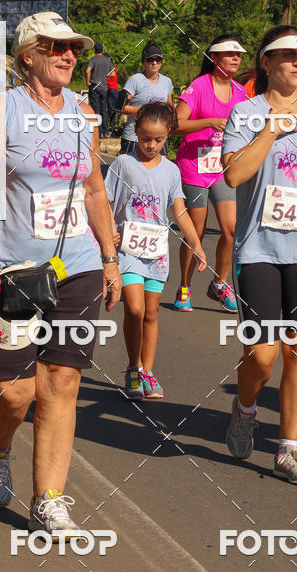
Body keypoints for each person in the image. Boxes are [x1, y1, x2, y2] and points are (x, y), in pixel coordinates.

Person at [0, 11, 121, 535]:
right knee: (14, 391)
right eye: (54, 46)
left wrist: (109, 257)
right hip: (14, 269)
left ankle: (49, 499)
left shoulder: (82, 112)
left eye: (73, 47)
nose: (68, 55)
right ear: (27, 54)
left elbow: (94, 189)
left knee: (63, 380)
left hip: (76, 266)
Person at [221, 25, 297, 484]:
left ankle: (289, 449)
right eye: (288, 56)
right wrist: (269, 130)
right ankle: (245, 408)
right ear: (266, 62)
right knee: (263, 355)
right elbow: (232, 175)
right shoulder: (244, 113)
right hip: (259, 247)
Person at [105, 103, 206, 400]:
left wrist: (196, 244)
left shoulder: (172, 170)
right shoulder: (123, 164)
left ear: (167, 138)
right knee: (134, 309)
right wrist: (107, 234)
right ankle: (133, 367)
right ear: (136, 131)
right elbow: (106, 203)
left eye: (159, 140)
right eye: (146, 138)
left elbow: (179, 211)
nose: (151, 145)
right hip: (127, 250)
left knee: (151, 313)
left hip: (156, 253)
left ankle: (147, 370)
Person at [172, 34, 247, 312]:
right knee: (197, 231)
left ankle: (219, 284)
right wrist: (209, 122)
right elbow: (175, 124)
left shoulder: (241, 91)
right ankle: (184, 286)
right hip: (194, 166)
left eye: (238, 55)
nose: (235, 59)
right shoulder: (199, 86)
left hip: (223, 168)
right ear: (214, 58)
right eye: (229, 54)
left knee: (231, 230)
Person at [118, 40, 173, 155]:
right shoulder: (135, 80)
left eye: (158, 59)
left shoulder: (167, 82)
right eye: (150, 59)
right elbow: (119, 107)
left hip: (159, 139)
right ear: (143, 61)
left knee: (160, 172)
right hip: (134, 138)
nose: (154, 63)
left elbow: (169, 108)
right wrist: (145, 111)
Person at [85, 42, 113, 138]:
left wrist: (88, 82)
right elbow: (112, 74)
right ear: (102, 50)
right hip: (104, 87)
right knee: (103, 110)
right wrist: (104, 75)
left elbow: (87, 71)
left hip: (95, 85)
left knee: (95, 109)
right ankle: (105, 132)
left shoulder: (93, 59)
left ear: (94, 50)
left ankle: (98, 132)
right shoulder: (107, 60)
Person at [106, 55, 119, 135]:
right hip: (107, 89)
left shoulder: (110, 66)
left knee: (112, 109)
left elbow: (113, 74)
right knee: (107, 109)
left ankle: (112, 128)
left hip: (112, 89)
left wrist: (103, 74)